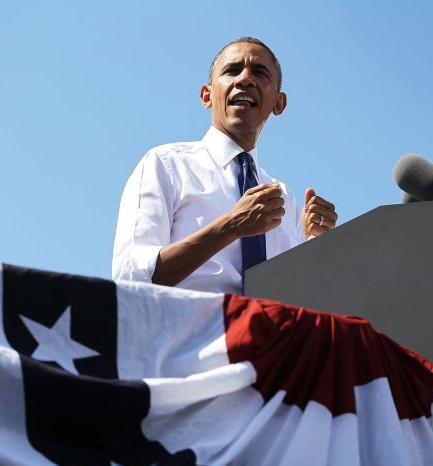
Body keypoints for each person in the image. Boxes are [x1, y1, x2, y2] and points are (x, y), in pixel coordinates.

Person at [112, 37, 338, 294]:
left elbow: (298, 303)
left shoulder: (284, 199)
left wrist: (316, 247)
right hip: (190, 333)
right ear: (206, 96)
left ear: (279, 103)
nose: (245, 79)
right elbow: (130, 276)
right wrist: (231, 225)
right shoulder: (166, 165)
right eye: (231, 70)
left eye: (260, 72)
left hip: (268, 334)